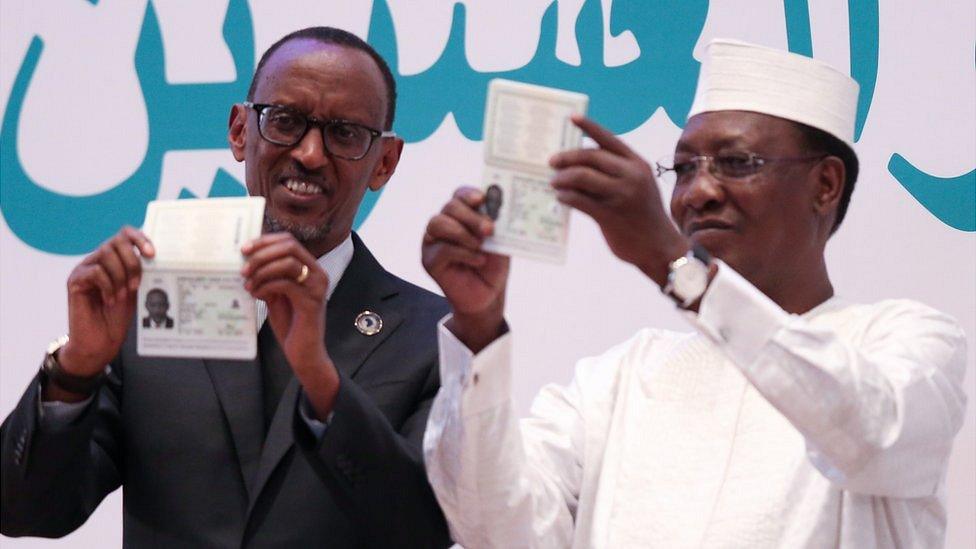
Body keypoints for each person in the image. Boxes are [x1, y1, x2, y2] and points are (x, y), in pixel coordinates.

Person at [421, 39, 967, 548]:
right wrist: (478, 327)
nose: (699, 191)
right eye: (684, 168)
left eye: (736, 164)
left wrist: (673, 265)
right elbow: (491, 524)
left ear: (825, 185)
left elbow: (869, 435)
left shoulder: (908, 341)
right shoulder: (622, 378)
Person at [1, 27, 451, 548]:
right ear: (240, 131)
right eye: (284, 121)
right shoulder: (146, 311)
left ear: (385, 163)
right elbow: (25, 510)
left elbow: (423, 527)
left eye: (345, 133)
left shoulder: (434, 338)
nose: (309, 153)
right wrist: (76, 369)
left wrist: (320, 379)